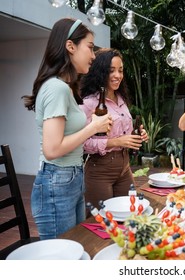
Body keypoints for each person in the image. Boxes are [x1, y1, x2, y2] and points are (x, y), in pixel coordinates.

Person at [22, 18, 112, 239]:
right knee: (63, 257)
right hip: (57, 182)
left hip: (69, 178)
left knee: (74, 248)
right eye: (90, 47)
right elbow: (53, 149)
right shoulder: (56, 88)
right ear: (70, 46)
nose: (93, 55)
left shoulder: (64, 88)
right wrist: (93, 127)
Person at [80, 48, 148, 208]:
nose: (118, 75)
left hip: (124, 167)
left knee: (129, 214)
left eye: (121, 70)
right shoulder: (89, 103)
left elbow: (123, 132)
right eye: (112, 71)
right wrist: (118, 141)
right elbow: (82, 144)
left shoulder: (120, 98)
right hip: (100, 170)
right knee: (101, 224)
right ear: (100, 72)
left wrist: (137, 135)